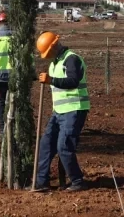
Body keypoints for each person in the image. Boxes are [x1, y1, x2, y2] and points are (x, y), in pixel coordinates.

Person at [32, 31, 90, 193]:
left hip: (74, 109)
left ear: (54, 46)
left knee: (64, 146)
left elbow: (73, 81)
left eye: (48, 52)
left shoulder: (71, 59)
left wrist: (51, 80)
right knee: (46, 144)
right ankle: (41, 182)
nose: (48, 56)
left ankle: (77, 181)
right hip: (59, 112)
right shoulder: (54, 64)